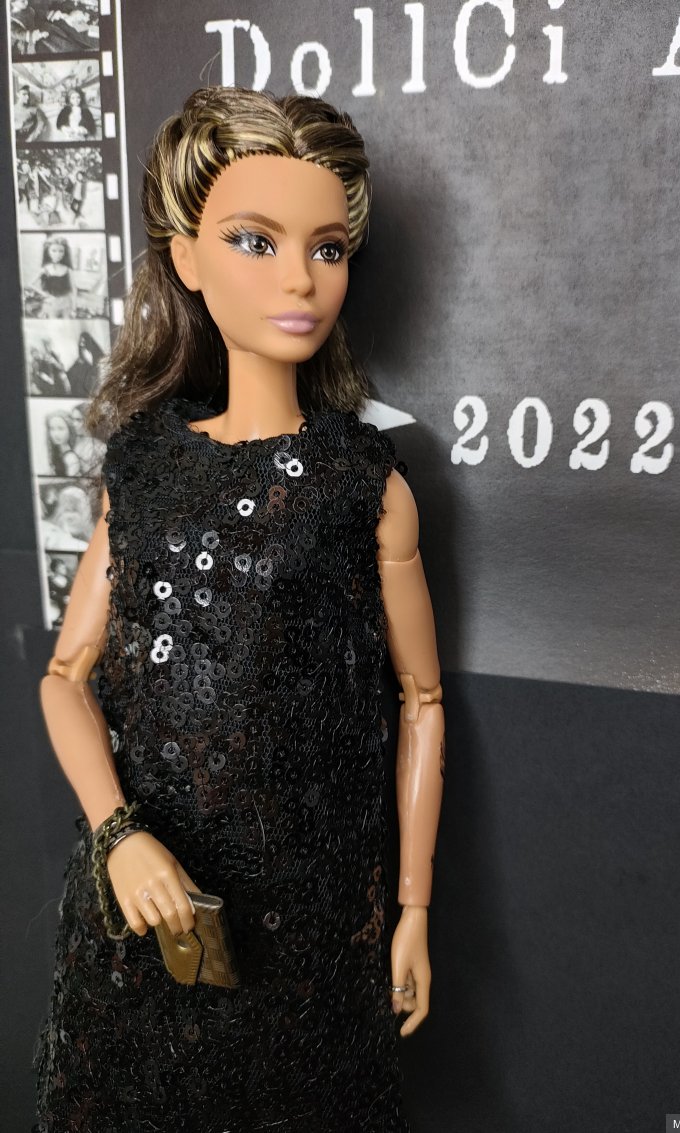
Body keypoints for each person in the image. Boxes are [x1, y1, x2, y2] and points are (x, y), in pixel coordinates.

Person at [33, 87, 444, 1132]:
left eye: (328, 248)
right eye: (255, 241)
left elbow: (422, 700)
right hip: (149, 918)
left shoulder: (363, 484)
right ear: (186, 258)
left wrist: (412, 907)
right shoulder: (146, 467)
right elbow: (65, 676)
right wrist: (119, 833)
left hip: (312, 930)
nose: (300, 278)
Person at [30, 235, 77, 317]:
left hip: (66, 303)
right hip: (51, 303)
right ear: (48, 252)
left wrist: (74, 308)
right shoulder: (45, 269)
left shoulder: (68, 270)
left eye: (61, 251)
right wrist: (44, 294)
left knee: (67, 323)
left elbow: (74, 289)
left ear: (64, 253)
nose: (58, 254)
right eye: (54, 251)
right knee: (53, 322)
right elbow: (30, 284)